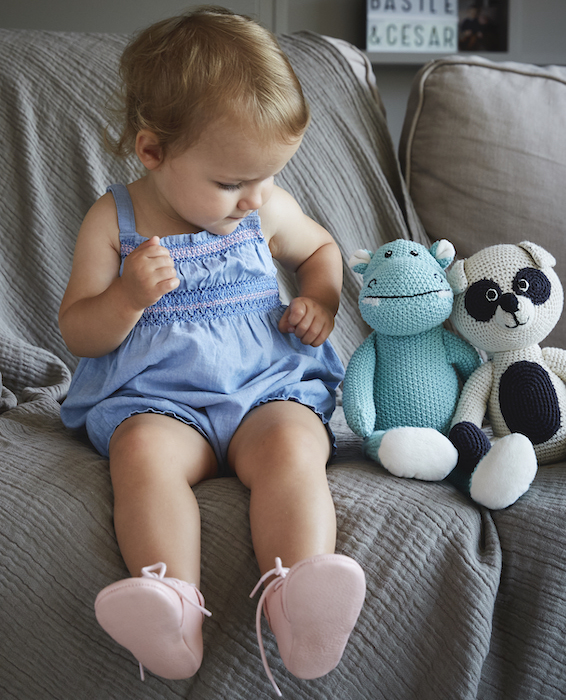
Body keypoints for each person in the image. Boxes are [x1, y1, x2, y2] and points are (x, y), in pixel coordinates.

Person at [58, 6, 365, 695]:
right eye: (231, 183)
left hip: (264, 389)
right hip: (161, 401)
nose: (255, 199)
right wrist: (126, 299)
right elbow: (77, 329)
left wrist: (319, 298)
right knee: (141, 454)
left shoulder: (264, 203)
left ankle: (301, 599)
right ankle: (170, 605)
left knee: (293, 445)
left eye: (270, 176)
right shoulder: (115, 220)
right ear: (152, 151)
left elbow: (321, 250)